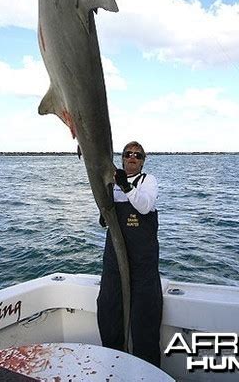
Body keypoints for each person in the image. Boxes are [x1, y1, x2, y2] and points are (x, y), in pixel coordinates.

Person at [97, 141, 163, 367]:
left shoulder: (148, 181)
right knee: (108, 309)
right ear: (122, 158)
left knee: (144, 318)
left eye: (138, 155)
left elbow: (145, 206)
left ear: (143, 160)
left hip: (143, 263)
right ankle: (114, 364)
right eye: (128, 154)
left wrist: (126, 186)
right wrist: (104, 214)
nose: (132, 157)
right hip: (114, 259)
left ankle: (148, 371)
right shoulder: (111, 184)